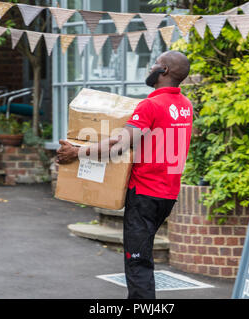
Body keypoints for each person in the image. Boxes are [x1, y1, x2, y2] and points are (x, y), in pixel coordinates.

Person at [57, 50, 193, 299]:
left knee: (138, 262)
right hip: (168, 193)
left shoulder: (150, 105)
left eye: (155, 63)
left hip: (145, 194)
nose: (150, 67)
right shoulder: (184, 106)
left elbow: (117, 145)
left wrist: (78, 151)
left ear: (162, 71)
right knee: (143, 256)